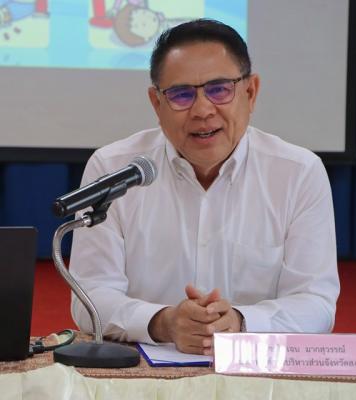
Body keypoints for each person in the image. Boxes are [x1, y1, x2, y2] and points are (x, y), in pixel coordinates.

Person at [69, 19, 340, 355]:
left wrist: (240, 322)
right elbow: (90, 296)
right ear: (156, 104)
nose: (202, 110)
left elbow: (315, 302)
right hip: (142, 370)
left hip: (256, 371)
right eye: (181, 95)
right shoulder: (113, 170)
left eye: (219, 89)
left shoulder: (298, 173)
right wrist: (163, 322)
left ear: (250, 92)